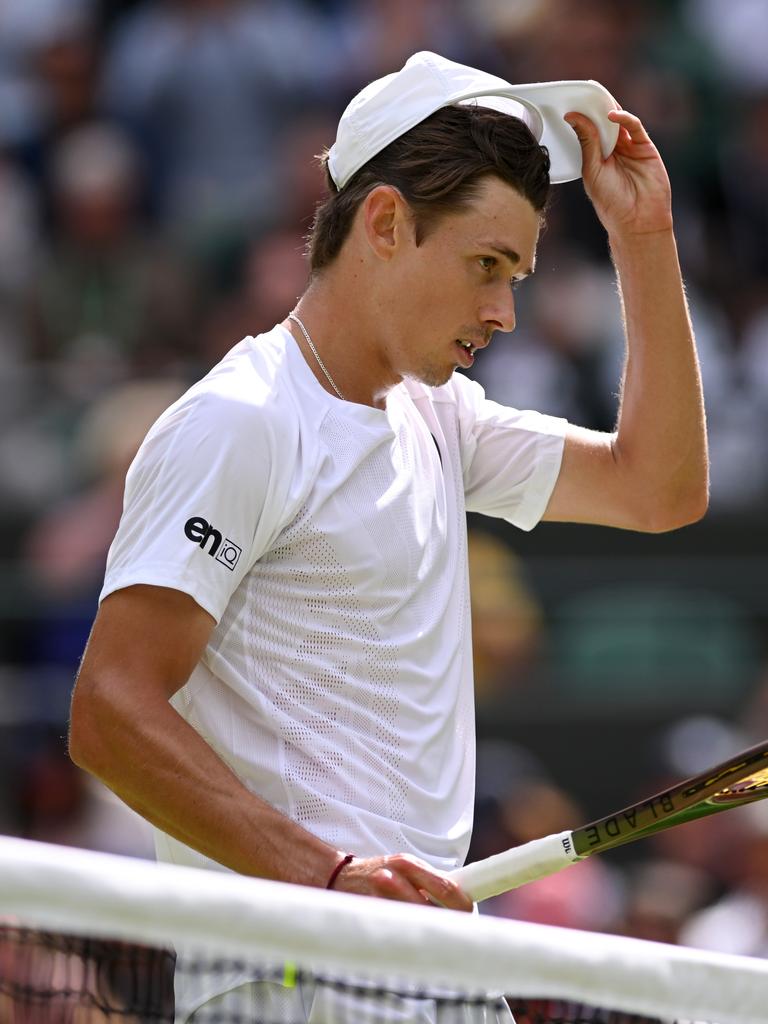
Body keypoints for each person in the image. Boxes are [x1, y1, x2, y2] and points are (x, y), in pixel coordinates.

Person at [68, 51, 708, 1023]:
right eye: (486, 266)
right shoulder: (245, 421)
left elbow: (658, 488)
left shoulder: (436, 416)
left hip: (427, 969)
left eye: (520, 274)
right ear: (385, 224)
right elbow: (110, 708)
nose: (503, 310)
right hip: (296, 978)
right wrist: (325, 877)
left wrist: (647, 238)